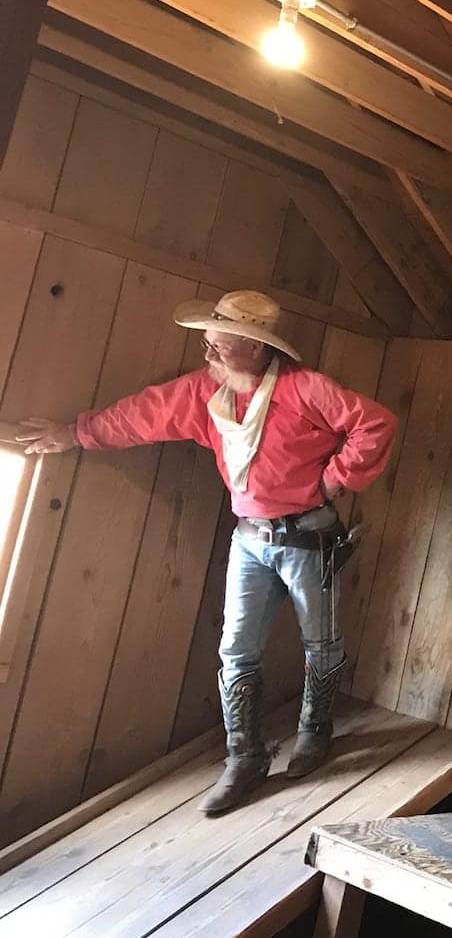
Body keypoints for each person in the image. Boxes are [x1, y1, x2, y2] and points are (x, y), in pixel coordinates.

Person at [19, 291, 397, 816]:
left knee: (322, 640)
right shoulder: (205, 393)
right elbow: (141, 416)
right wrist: (76, 434)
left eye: (219, 340)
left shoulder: (304, 389)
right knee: (235, 649)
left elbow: (373, 423)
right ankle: (244, 758)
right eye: (209, 337)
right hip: (250, 538)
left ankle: (316, 730)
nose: (207, 347)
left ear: (255, 345)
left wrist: (337, 478)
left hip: (310, 535)